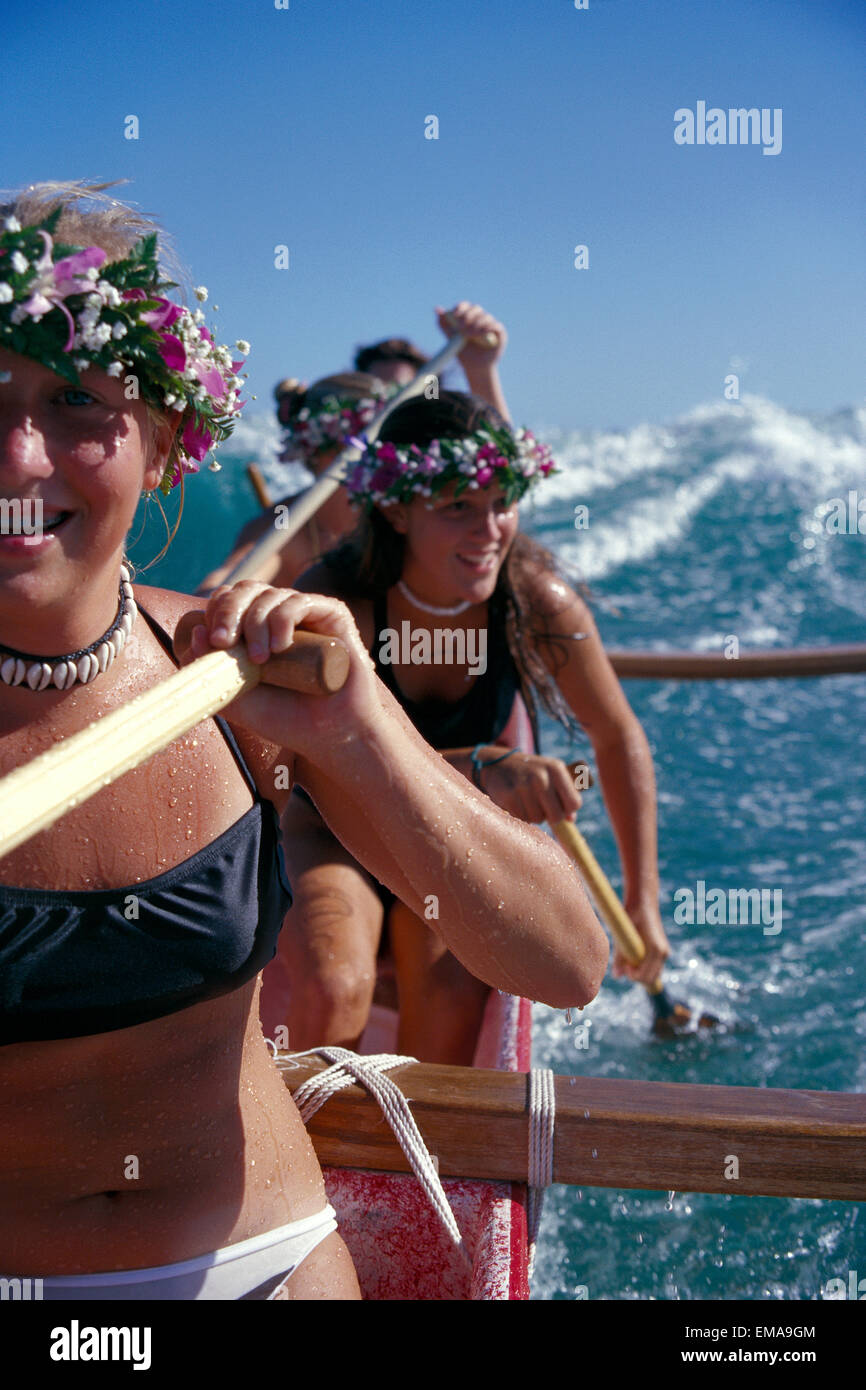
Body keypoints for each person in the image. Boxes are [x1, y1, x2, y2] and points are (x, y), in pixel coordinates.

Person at [0, 184, 608, 1300]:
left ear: (164, 441)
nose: (19, 458)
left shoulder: (223, 677)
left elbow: (565, 962)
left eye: (77, 399)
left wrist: (359, 726)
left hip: (263, 1265)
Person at [261, 391, 671, 1065]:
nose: (490, 531)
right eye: (458, 508)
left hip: (451, 835)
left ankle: (415, 1164)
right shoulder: (340, 601)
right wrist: (483, 766)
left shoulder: (537, 600)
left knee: (452, 994)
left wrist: (642, 901)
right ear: (396, 509)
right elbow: (317, 766)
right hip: (333, 831)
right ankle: (300, 1159)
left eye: (502, 503)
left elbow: (616, 733)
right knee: (338, 987)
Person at [198, 303, 509, 592]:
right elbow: (229, 580)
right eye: (376, 399)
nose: (383, 423)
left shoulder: (427, 524)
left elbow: (504, 476)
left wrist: (479, 370)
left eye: (402, 398)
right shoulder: (287, 527)